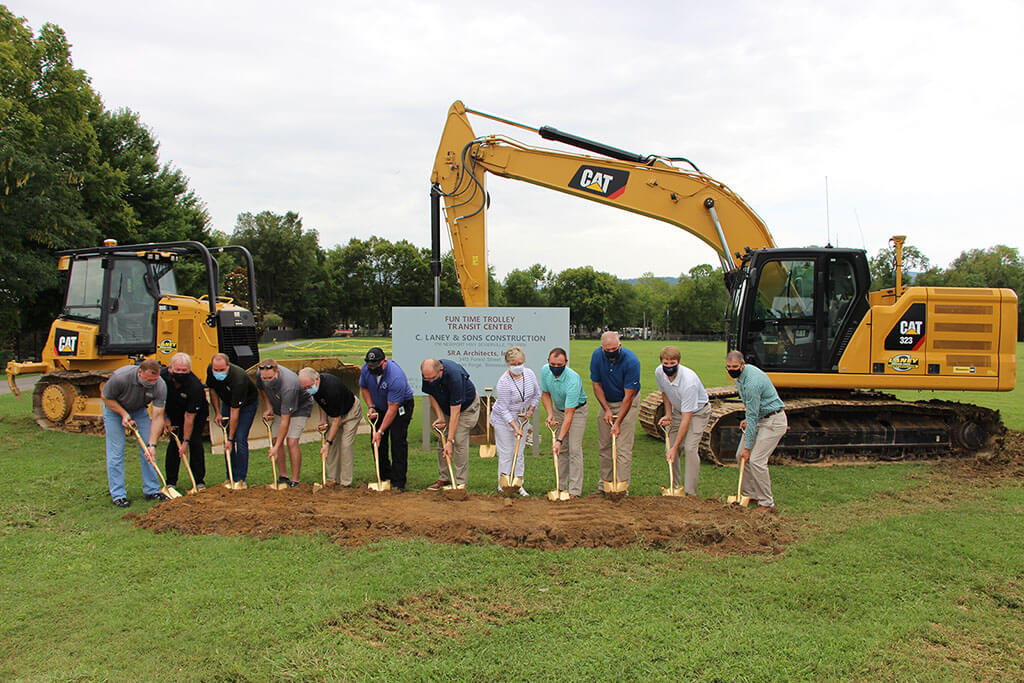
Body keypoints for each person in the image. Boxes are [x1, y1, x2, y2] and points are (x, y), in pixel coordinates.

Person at [726, 349, 787, 513]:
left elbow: (752, 415)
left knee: (756, 460)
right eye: (728, 366)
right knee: (740, 456)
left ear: (742, 364)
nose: (731, 369)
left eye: (735, 366)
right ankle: (750, 494)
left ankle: (767, 503)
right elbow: (752, 411)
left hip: (773, 421)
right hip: (760, 418)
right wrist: (749, 420)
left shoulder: (752, 382)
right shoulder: (740, 378)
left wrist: (748, 448)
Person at [100, 359, 167, 507]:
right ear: (140, 373)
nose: (151, 383)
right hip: (114, 409)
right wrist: (123, 414)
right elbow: (106, 397)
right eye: (148, 380)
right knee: (116, 452)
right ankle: (118, 495)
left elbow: (157, 417)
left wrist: (152, 445)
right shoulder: (121, 377)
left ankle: (152, 490)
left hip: (139, 410)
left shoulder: (160, 385)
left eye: (154, 380)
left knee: (149, 452)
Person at [655, 345, 711, 495]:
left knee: (690, 448)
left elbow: (687, 419)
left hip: (699, 412)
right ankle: (675, 487)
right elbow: (665, 393)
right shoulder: (659, 372)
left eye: (672, 364)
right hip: (678, 409)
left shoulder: (689, 382)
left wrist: (676, 446)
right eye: (665, 363)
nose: (668, 367)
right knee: (670, 448)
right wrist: (668, 414)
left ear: (678, 362)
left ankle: (690, 493)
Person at [590, 330, 641, 492]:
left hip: (627, 401)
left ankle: (621, 487)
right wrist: (606, 409)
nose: (611, 353)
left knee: (622, 447)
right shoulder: (597, 356)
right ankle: (605, 484)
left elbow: (629, 396)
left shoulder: (632, 361)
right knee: (605, 445)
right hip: (607, 401)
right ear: (602, 347)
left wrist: (618, 422)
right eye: (607, 350)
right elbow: (596, 384)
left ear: (620, 346)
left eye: (614, 349)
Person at [359, 347, 414, 491]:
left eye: (375, 366)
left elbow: (392, 409)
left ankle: (398, 482)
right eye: (370, 366)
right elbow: (364, 388)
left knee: (397, 440)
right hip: (379, 406)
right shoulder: (366, 369)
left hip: (400, 407)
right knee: (377, 443)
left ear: (384, 362)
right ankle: (384, 476)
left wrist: (381, 430)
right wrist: (371, 406)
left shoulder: (396, 376)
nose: (372, 368)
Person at [421, 358, 480, 490]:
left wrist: (450, 440)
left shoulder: (454, 376)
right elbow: (431, 393)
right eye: (427, 379)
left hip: (466, 407)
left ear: (440, 370)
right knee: (442, 441)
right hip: (445, 406)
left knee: (458, 440)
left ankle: (460, 483)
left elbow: (456, 412)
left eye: (433, 378)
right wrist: (440, 416)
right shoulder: (428, 373)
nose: (430, 381)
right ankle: (444, 478)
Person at [298, 367, 361, 487]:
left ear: (316, 380)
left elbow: (337, 421)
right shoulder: (315, 387)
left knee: (345, 445)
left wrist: (327, 443)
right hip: (335, 413)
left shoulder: (332, 389)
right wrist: (323, 420)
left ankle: (345, 483)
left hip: (351, 412)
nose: (307, 390)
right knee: (332, 449)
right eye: (304, 388)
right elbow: (322, 403)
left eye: (308, 387)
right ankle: (332, 480)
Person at [490, 346, 540, 496]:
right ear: (508, 364)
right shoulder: (504, 382)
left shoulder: (529, 374)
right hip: (503, 420)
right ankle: (503, 484)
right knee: (506, 453)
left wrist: (530, 409)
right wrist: (514, 426)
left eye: (520, 363)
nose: (517, 366)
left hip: (522, 418)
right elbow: (504, 409)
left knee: (519, 453)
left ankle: (518, 484)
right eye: (514, 364)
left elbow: (537, 394)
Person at [257, 358, 313, 488]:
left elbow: (285, 420)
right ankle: (283, 477)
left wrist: (275, 449)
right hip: (279, 406)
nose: (266, 381)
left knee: (292, 441)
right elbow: (262, 389)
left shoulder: (289, 385)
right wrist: (269, 407)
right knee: (277, 440)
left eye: (269, 378)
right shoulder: (261, 374)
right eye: (264, 378)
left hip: (300, 407)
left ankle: (295, 480)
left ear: (277, 372)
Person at [206, 352, 260, 488]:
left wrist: (230, 439)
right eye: (216, 370)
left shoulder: (239, 378)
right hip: (227, 401)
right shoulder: (210, 369)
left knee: (239, 438)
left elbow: (235, 413)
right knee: (227, 439)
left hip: (247, 404)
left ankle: (241, 478)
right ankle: (230, 476)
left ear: (228, 366)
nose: (218, 372)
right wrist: (217, 412)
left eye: (221, 370)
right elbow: (212, 389)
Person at [540, 347, 587, 497]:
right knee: (562, 451)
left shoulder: (573, 379)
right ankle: (560, 486)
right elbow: (545, 394)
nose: (555, 368)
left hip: (577, 410)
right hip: (558, 409)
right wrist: (550, 414)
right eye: (552, 364)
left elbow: (569, 413)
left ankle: (574, 491)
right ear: (548, 362)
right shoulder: (545, 371)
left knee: (574, 449)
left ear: (566, 363)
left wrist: (559, 439)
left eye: (559, 365)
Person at [160, 352, 208, 490]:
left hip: (195, 414)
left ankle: (198, 481)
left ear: (189, 370)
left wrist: (185, 442)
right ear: (170, 368)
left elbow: (189, 417)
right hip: (173, 410)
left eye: (184, 370)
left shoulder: (195, 387)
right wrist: (166, 418)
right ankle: (171, 482)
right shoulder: (162, 378)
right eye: (177, 370)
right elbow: (159, 401)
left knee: (194, 442)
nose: (180, 373)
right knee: (174, 444)